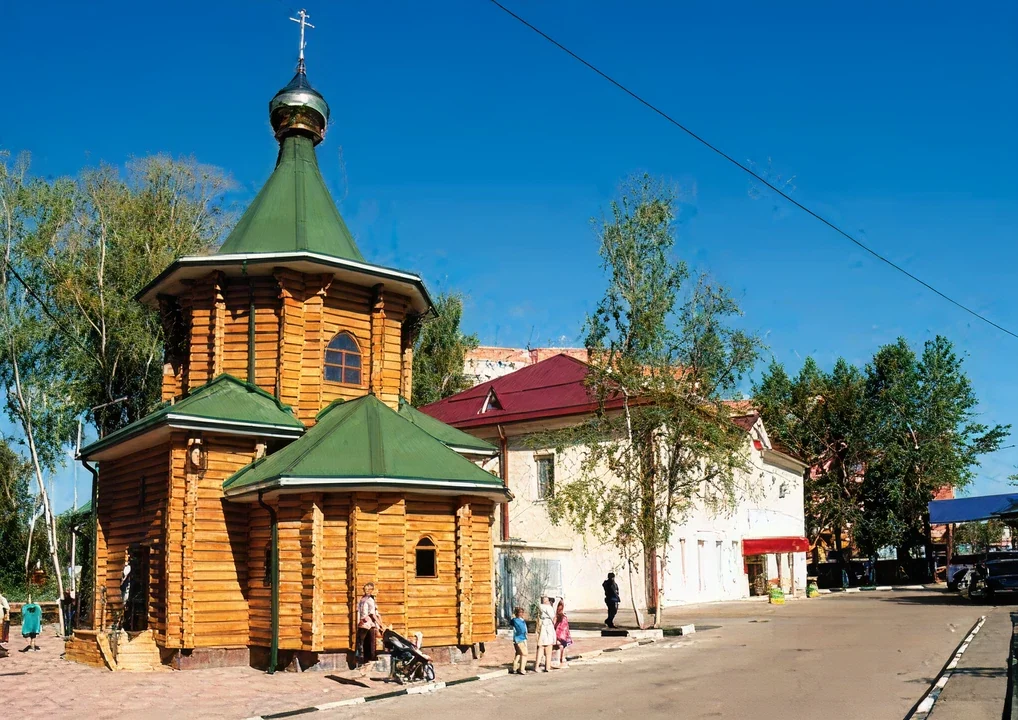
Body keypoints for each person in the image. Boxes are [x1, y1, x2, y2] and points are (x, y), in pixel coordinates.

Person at [356, 582, 383, 666]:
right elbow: (373, 614)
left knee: (362, 643)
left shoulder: (362, 599)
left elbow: (359, 612)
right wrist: (380, 624)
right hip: (368, 624)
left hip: (362, 623)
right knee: (370, 644)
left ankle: (363, 661)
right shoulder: (370, 600)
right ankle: (370, 661)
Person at [534, 596, 555, 672]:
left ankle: (537, 666)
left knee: (540, 646)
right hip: (548, 627)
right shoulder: (548, 608)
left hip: (541, 626)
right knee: (549, 647)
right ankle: (547, 666)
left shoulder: (539, 607)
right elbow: (553, 618)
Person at [553, 599, 572, 669]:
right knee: (562, 646)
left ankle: (561, 659)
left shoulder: (557, 616)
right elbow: (565, 627)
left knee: (562, 646)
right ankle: (561, 660)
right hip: (562, 635)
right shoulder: (563, 617)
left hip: (559, 635)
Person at [510, 606, 528, 675]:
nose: (522, 613)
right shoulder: (519, 621)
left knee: (518, 653)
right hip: (520, 639)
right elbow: (522, 630)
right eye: (521, 612)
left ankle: (514, 667)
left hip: (516, 639)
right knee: (524, 653)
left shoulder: (514, 620)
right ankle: (522, 669)